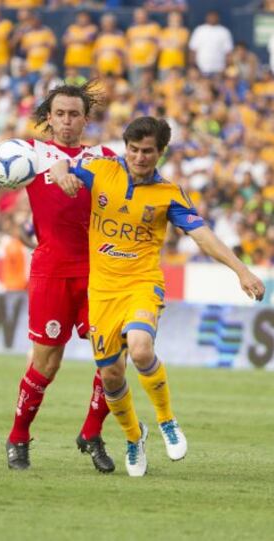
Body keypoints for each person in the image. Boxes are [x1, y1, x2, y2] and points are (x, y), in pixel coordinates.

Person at [50, 116, 265, 477]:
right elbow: (61, 162)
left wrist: (241, 270)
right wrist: (60, 172)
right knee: (111, 377)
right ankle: (135, 438)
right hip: (102, 292)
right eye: (133, 150)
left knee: (140, 348)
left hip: (141, 284)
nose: (138, 157)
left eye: (147, 151)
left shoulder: (168, 193)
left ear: (160, 152)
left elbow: (201, 235)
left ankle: (167, 421)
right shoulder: (101, 170)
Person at [0, 83, 116, 474]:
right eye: (59, 114)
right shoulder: (30, 154)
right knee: (47, 364)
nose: (66, 121)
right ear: (49, 116)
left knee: (112, 358)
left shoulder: (106, 158)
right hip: (51, 272)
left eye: (74, 114)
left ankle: (92, 433)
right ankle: (18, 437)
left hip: (99, 272)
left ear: (85, 118)